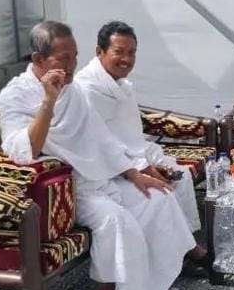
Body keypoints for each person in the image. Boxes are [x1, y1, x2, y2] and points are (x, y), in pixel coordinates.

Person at [0, 21, 203, 290]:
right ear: (38, 60)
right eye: (62, 59)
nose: (70, 66)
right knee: (115, 220)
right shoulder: (15, 94)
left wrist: (135, 175)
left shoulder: (74, 90)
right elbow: (25, 151)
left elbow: (101, 139)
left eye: (74, 58)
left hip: (100, 177)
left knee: (158, 197)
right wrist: (48, 101)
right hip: (66, 188)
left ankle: (146, 286)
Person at [74, 20, 200, 235]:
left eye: (132, 53)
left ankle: (188, 244)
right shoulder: (87, 90)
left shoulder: (122, 85)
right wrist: (143, 168)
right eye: (119, 52)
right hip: (106, 174)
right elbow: (105, 146)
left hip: (130, 162)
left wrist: (154, 163)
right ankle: (187, 252)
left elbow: (132, 138)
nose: (126, 59)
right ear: (99, 51)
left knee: (181, 176)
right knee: (161, 194)